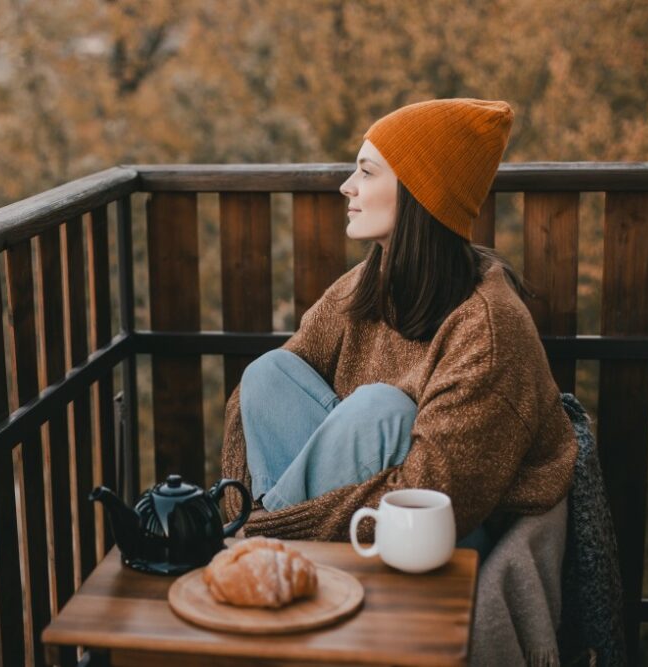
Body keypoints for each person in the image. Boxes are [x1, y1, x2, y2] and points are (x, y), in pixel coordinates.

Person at [220, 99, 577, 560]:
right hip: (338, 507)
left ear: (420, 193)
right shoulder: (366, 285)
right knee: (270, 373)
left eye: (366, 173)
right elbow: (250, 408)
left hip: (445, 526)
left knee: (380, 408)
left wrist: (265, 532)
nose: (347, 187)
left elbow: (433, 493)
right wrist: (241, 512)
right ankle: (272, 551)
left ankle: (268, 558)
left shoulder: (487, 329)